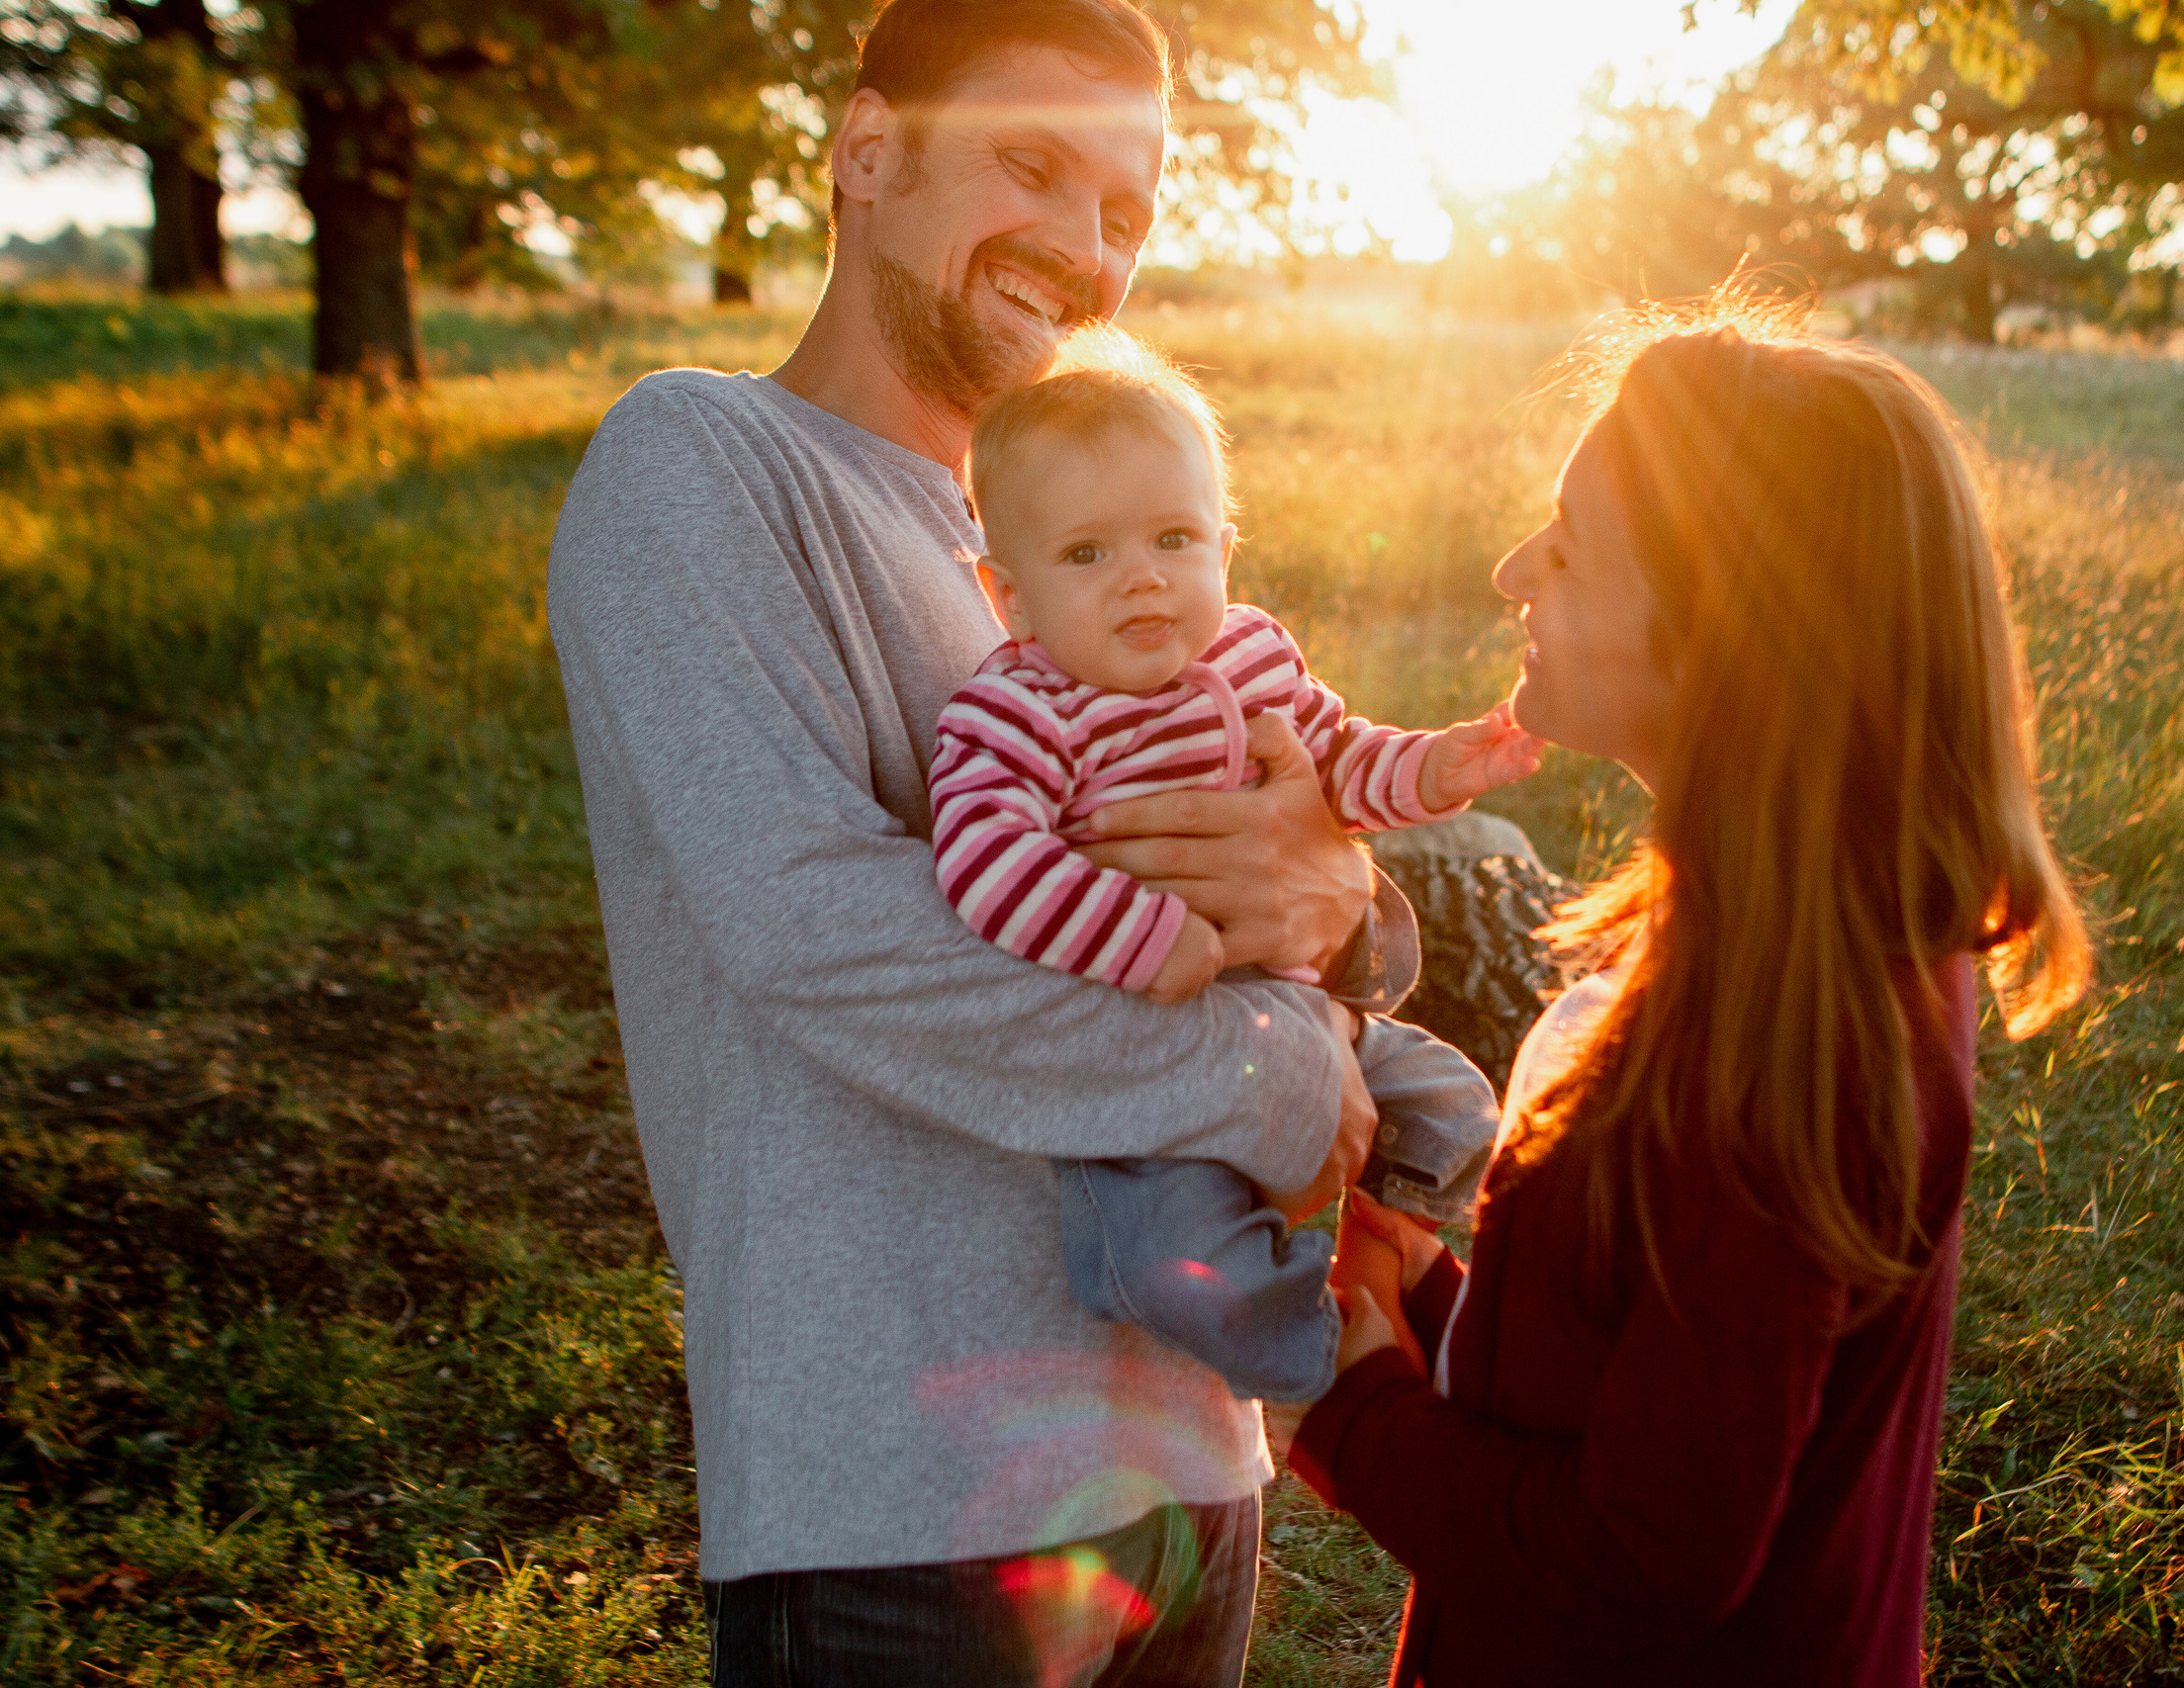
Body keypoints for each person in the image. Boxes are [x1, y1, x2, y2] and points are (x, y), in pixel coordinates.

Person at [546, 2, 1405, 1682]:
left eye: (1127, 210)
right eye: (1034, 166)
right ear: (867, 152)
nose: (1088, 248)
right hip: (901, 1505)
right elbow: (821, 927)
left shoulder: (1082, 524)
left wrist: (1350, 914)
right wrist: (1266, 1079)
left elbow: (1289, 838)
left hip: (1186, 1461)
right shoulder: (702, 461)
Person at [1276, 300, 2094, 1687]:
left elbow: (1641, 1561)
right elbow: (1674, 1380)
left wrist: (1355, 1415)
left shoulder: (1787, 1051)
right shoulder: (1788, 934)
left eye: (1570, 545)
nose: (1512, 569)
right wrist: (1431, 1299)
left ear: (1733, 629)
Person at [933, 327, 1539, 1400]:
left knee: (1463, 1111)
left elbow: (1338, 760)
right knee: (1176, 1249)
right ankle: (1329, 1361)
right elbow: (986, 859)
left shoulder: (1250, 654)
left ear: (1223, 547)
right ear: (1011, 597)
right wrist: (1145, 936)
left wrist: (1437, 767)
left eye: (1173, 539)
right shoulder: (1018, 709)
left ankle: (1378, 1239)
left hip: (1298, 1007)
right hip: (1147, 1041)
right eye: (1087, 555)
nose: (1142, 579)